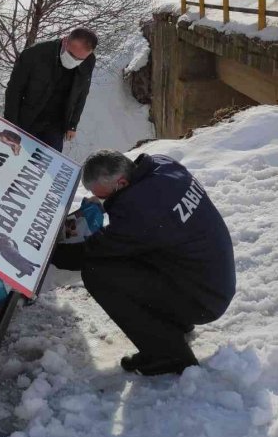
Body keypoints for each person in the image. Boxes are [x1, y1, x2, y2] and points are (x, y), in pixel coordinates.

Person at [53, 149, 236, 376]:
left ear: (120, 183)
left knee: (97, 272)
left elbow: (94, 251)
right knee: (130, 258)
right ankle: (173, 326)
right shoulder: (163, 165)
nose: (103, 201)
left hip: (203, 300)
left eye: (104, 197)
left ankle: (170, 356)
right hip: (212, 279)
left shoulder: (140, 210)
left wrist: (53, 252)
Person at [4, 28, 97, 151]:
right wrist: (10, 125)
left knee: (48, 164)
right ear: (65, 41)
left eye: (79, 59)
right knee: (15, 157)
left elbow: (82, 93)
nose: (74, 61)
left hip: (57, 124)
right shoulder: (35, 54)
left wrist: (72, 124)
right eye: (71, 55)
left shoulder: (89, 61)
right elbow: (14, 91)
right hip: (28, 119)